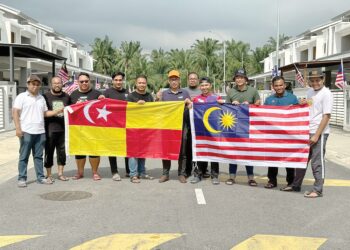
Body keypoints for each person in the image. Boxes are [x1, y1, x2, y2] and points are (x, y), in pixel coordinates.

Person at [282, 69, 333, 198]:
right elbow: (311, 108)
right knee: (301, 160)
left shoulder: (326, 94)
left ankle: (318, 189)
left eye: (318, 80)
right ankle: (296, 185)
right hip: (306, 131)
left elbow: (326, 116)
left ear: (323, 80)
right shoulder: (310, 91)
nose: (315, 82)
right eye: (313, 80)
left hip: (319, 132)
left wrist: (317, 135)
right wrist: (303, 103)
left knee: (317, 162)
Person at [13, 75, 64, 187]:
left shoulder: (41, 98)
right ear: (28, 84)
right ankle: (22, 178)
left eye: (37, 84)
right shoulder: (21, 97)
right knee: (24, 156)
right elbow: (15, 112)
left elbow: (45, 113)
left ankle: (40, 177)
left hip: (40, 132)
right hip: (26, 131)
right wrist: (18, 128)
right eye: (33, 84)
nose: (35, 87)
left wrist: (57, 111)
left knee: (38, 156)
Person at [225, 68, 261, 186]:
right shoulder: (230, 91)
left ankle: (251, 177)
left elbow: (259, 105)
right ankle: (231, 177)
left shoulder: (253, 91)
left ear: (246, 79)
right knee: (233, 151)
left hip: (248, 127)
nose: (239, 80)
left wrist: (250, 105)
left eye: (241, 77)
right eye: (237, 78)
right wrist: (232, 104)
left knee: (248, 151)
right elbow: (225, 108)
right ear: (235, 79)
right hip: (233, 126)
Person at [263, 76, 299, 189]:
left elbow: (298, 115)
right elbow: (264, 115)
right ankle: (272, 180)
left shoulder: (293, 98)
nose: (279, 87)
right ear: (273, 87)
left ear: (285, 85)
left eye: (281, 85)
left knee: (289, 159)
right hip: (273, 135)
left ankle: (291, 182)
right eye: (276, 85)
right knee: (273, 158)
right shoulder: (269, 100)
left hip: (288, 135)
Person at [157, 70, 192, 183]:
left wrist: (189, 103)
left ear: (179, 80)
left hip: (182, 126)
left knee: (182, 151)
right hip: (167, 126)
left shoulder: (185, 93)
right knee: (166, 150)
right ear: (169, 81)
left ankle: (181, 174)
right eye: (172, 79)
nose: (174, 81)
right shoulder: (164, 94)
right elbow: (157, 108)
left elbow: (190, 107)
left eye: (176, 79)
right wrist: (157, 99)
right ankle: (165, 174)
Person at [70, 72, 105, 181]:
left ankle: (95, 172)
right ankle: (80, 172)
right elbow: (69, 110)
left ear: (89, 81)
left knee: (94, 151)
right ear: (78, 82)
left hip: (93, 128)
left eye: (86, 81)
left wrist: (103, 99)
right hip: (78, 129)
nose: (84, 83)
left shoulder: (97, 94)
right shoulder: (73, 95)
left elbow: (105, 107)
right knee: (79, 151)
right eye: (82, 81)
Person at [191, 77, 224, 185]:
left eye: (206, 85)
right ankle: (199, 174)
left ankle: (215, 176)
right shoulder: (196, 99)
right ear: (200, 87)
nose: (204, 87)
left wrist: (222, 104)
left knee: (214, 152)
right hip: (200, 131)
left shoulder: (216, 98)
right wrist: (190, 106)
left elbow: (223, 112)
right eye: (202, 86)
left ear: (210, 86)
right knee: (200, 152)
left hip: (213, 131)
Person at [126, 75, 154, 183]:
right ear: (136, 84)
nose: (142, 85)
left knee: (143, 151)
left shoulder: (149, 96)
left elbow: (153, 111)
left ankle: (142, 172)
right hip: (133, 128)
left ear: (146, 84)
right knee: (133, 152)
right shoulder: (130, 96)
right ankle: (133, 174)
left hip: (146, 128)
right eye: (140, 83)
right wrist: (136, 106)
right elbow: (127, 111)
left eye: (143, 83)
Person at [43, 76, 72, 182]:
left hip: (63, 130)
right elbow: (43, 113)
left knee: (62, 153)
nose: (57, 85)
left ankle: (60, 174)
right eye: (54, 83)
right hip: (49, 129)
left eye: (59, 83)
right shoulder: (45, 97)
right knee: (49, 152)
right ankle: (49, 175)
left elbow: (73, 110)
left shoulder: (67, 97)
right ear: (51, 84)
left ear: (62, 84)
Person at [104, 71, 130, 180]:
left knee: (127, 149)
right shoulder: (107, 93)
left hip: (125, 125)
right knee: (112, 149)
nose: (118, 82)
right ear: (112, 81)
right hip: (112, 126)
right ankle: (114, 172)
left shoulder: (127, 92)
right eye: (116, 80)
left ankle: (129, 171)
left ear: (123, 81)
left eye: (120, 80)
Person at [183, 72, 202, 177]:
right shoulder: (184, 91)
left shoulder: (202, 90)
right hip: (187, 123)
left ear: (198, 80)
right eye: (190, 78)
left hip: (200, 124)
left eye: (195, 78)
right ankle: (187, 170)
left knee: (200, 147)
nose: (193, 80)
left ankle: (201, 169)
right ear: (188, 80)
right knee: (188, 148)